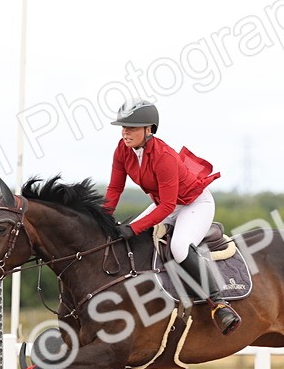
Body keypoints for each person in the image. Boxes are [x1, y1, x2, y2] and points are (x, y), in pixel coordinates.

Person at [103, 100, 241, 335]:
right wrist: (103, 218)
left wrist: (135, 228)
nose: (125, 132)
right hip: (166, 203)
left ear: (149, 130)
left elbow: (168, 205)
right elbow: (115, 189)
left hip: (194, 203)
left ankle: (219, 303)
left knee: (179, 247)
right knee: (127, 233)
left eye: (132, 128)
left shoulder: (163, 156)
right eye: (123, 127)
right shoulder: (121, 149)